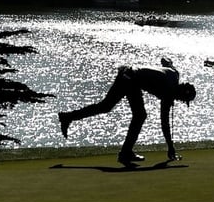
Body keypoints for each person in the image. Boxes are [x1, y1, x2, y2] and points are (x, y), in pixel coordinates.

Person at [58, 57, 196, 165]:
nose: (181, 102)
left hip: (127, 73)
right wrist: (170, 147)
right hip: (131, 79)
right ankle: (125, 153)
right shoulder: (167, 93)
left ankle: (67, 117)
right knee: (140, 115)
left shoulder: (175, 74)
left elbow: (165, 60)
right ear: (182, 94)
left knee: (106, 107)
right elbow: (164, 122)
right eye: (183, 100)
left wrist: (167, 64)